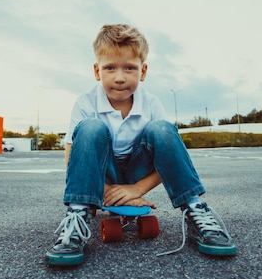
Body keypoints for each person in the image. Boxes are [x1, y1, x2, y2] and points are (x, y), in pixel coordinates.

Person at [45, 24, 237, 266]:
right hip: (103, 175)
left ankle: (195, 209)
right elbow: (72, 156)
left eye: (129, 68)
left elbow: (167, 158)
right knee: (91, 128)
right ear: (97, 71)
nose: (119, 77)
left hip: (138, 172)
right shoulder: (85, 102)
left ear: (143, 71)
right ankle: (77, 215)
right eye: (110, 68)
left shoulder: (152, 104)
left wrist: (136, 190)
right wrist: (106, 192)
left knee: (163, 130)